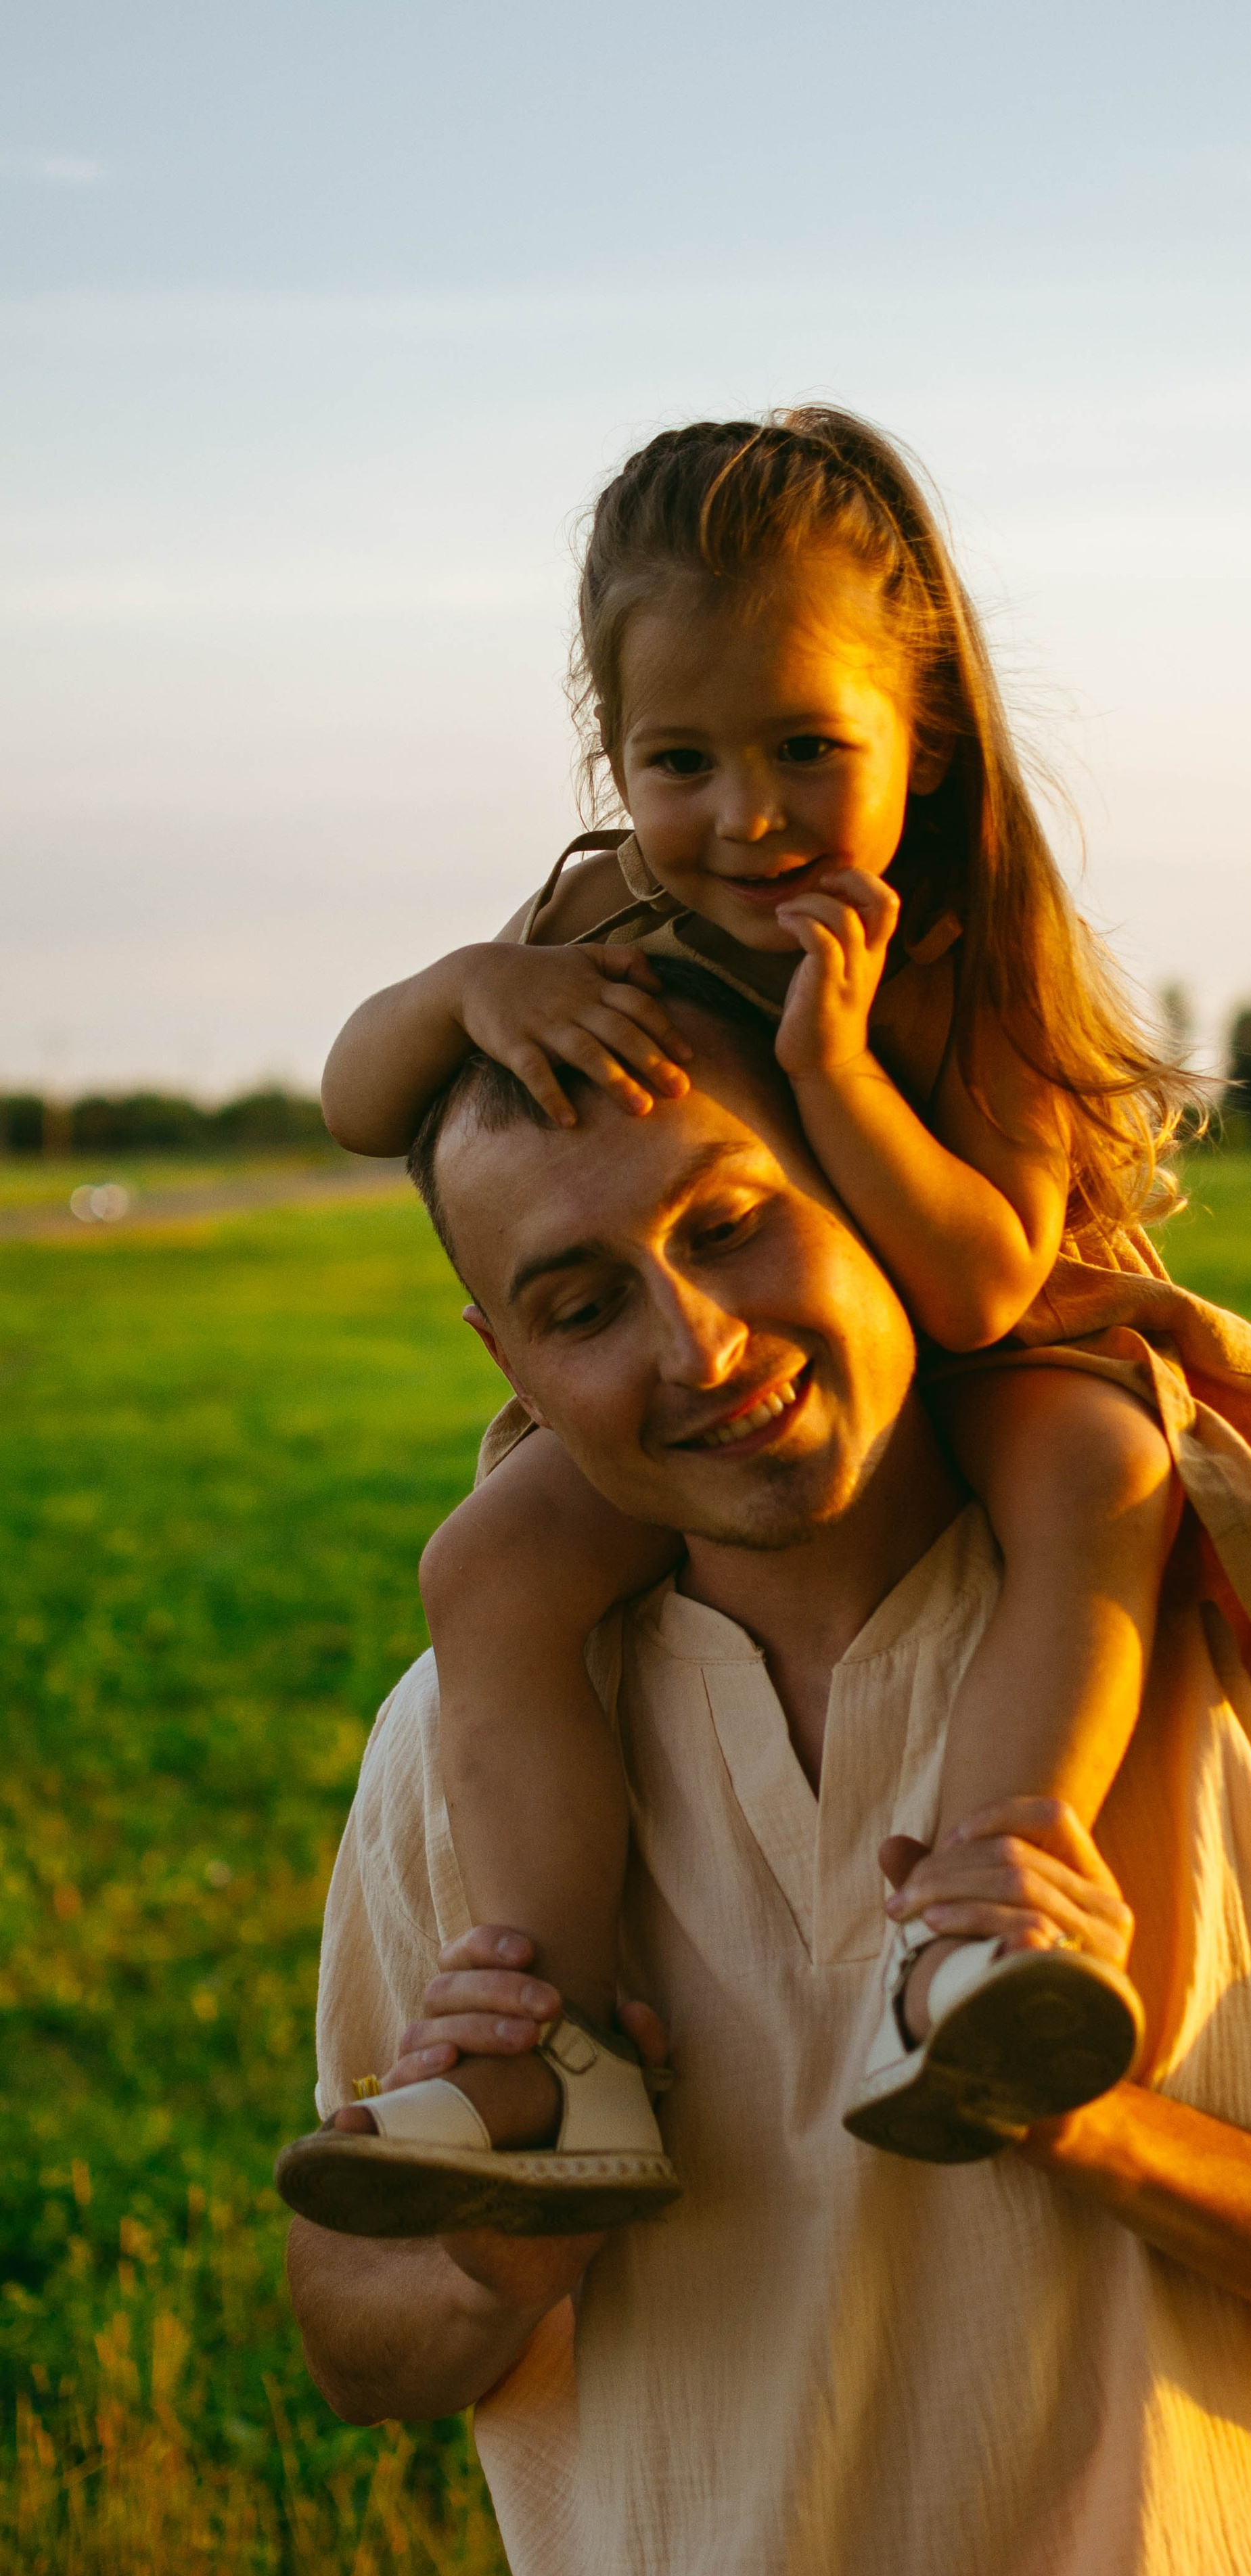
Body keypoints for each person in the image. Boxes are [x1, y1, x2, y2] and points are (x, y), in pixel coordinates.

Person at [281, 994, 1251, 2576]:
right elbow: (352, 2336)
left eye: (730, 1227)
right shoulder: (463, 1738)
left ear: (876, 1194)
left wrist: (1095, 2126)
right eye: (580, 1308)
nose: (699, 1348)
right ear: (505, 1359)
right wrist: (493, 2263)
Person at [313, 407, 1197, 2213]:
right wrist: (471, 986)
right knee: (486, 1569)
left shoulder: (958, 956)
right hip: (735, 1373)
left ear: (920, 733)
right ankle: (557, 2041)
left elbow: (980, 1287)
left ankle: (978, 1925)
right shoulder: (598, 912)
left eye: (806, 746)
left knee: (1099, 1471)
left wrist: (836, 1073)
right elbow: (351, 1098)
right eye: (681, 759)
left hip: (982, 1358)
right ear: (614, 755)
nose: (747, 815)